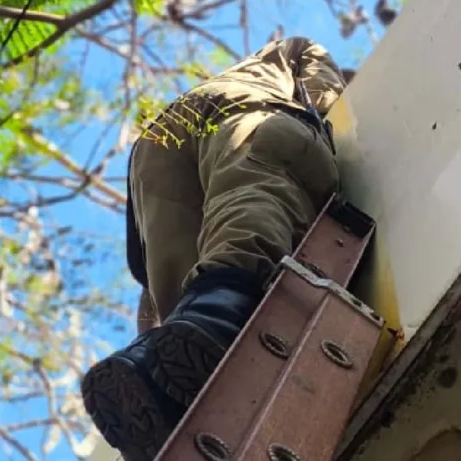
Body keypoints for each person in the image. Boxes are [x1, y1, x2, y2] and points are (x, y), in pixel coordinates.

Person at [81, 36, 350, 460]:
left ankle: (150, 370)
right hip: (238, 108)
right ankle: (221, 311)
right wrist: (321, 114)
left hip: (156, 148)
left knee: (176, 281)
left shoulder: (217, 77)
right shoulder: (283, 54)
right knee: (255, 185)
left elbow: (150, 289)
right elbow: (318, 74)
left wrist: (147, 333)